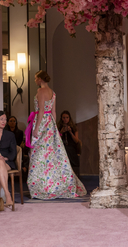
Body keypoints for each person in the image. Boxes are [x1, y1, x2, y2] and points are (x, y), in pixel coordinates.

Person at [26, 70, 87, 199]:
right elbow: (53, 112)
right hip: (50, 124)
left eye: (36, 78)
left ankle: (41, 186)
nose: (35, 80)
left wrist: (37, 128)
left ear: (40, 79)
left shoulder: (40, 91)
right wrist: (54, 128)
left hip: (42, 123)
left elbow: (41, 110)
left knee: (39, 154)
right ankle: (53, 184)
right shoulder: (53, 93)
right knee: (52, 155)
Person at [0, 111, 17, 209]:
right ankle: (8, 195)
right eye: (1, 119)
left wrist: (5, 158)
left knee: (1, 162)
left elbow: (13, 152)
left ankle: (6, 195)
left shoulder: (10, 135)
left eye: (5, 119)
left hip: (7, 162)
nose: (4, 121)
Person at [57, 111, 80, 176]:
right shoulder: (59, 126)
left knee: (69, 150)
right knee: (64, 150)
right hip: (62, 146)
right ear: (61, 118)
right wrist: (61, 132)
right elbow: (56, 140)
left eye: (67, 117)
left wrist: (70, 132)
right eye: (63, 117)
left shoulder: (74, 127)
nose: (65, 119)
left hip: (71, 146)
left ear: (69, 118)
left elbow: (76, 141)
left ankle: (71, 172)